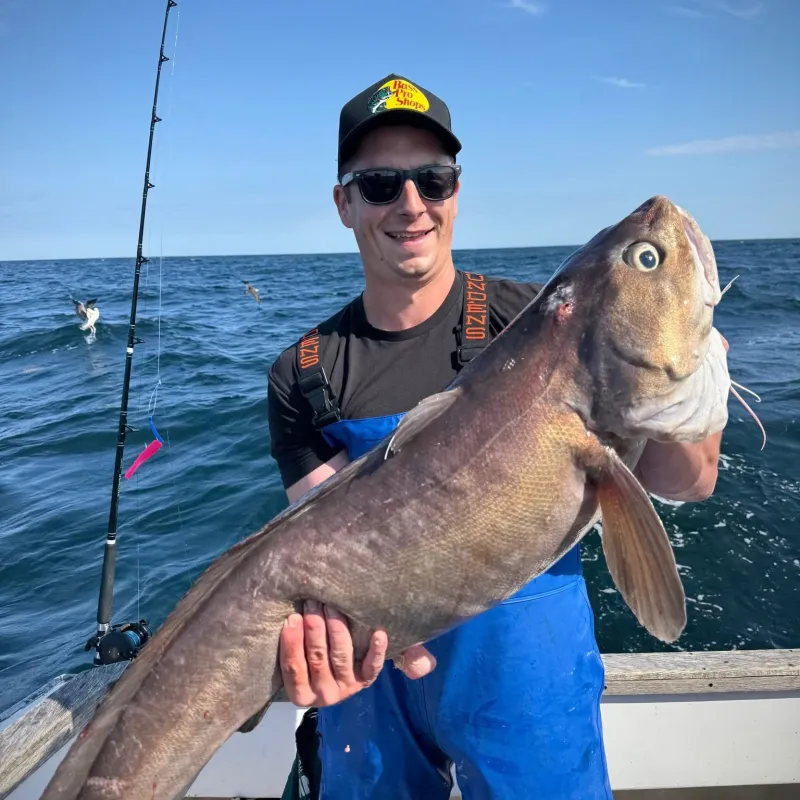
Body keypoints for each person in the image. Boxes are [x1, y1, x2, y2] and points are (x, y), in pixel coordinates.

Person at [267, 73, 725, 800]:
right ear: (344, 203)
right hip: (373, 671)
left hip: (524, 671)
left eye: (433, 179)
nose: (411, 204)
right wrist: (311, 652)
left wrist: (676, 372)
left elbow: (690, 481)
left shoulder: (541, 322)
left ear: (456, 189)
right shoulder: (305, 371)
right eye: (381, 184)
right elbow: (314, 560)